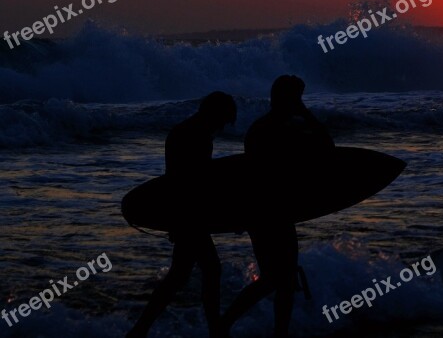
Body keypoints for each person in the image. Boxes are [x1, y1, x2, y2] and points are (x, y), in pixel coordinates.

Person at [221, 75, 334, 338]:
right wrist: (305, 114)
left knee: (284, 280)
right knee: (276, 278)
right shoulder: (277, 129)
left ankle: (276, 332)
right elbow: (326, 146)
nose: (301, 103)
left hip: (275, 211)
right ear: (289, 99)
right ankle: (225, 323)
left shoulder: (270, 126)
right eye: (298, 98)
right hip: (266, 211)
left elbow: (325, 147)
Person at [127, 91, 237, 338]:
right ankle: (215, 331)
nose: (222, 126)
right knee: (209, 270)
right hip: (189, 215)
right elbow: (193, 183)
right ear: (215, 113)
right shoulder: (196, 135)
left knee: (179, 276)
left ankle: (140, 330)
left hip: (183, 213)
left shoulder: (186, 130)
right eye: (223, 120)